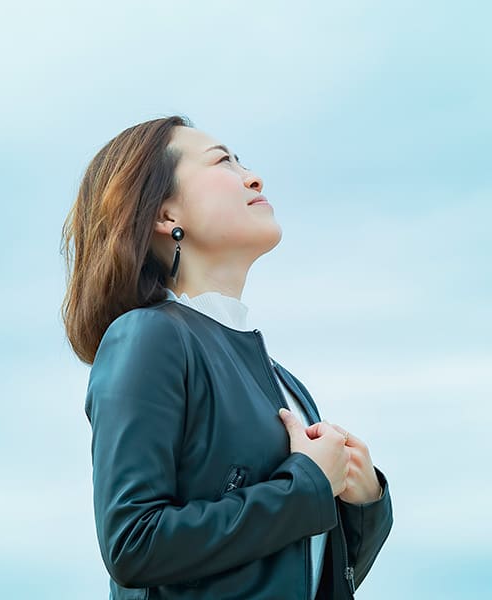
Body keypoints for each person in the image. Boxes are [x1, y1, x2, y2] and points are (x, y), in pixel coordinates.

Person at [60, 115, 393, 599]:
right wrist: (307, 485)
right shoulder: (148, 337)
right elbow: (133, 544)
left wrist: (362, 500)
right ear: (164, 215)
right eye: (223, 161)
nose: (253, 177)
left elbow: (286, 575)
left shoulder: (284, 382)